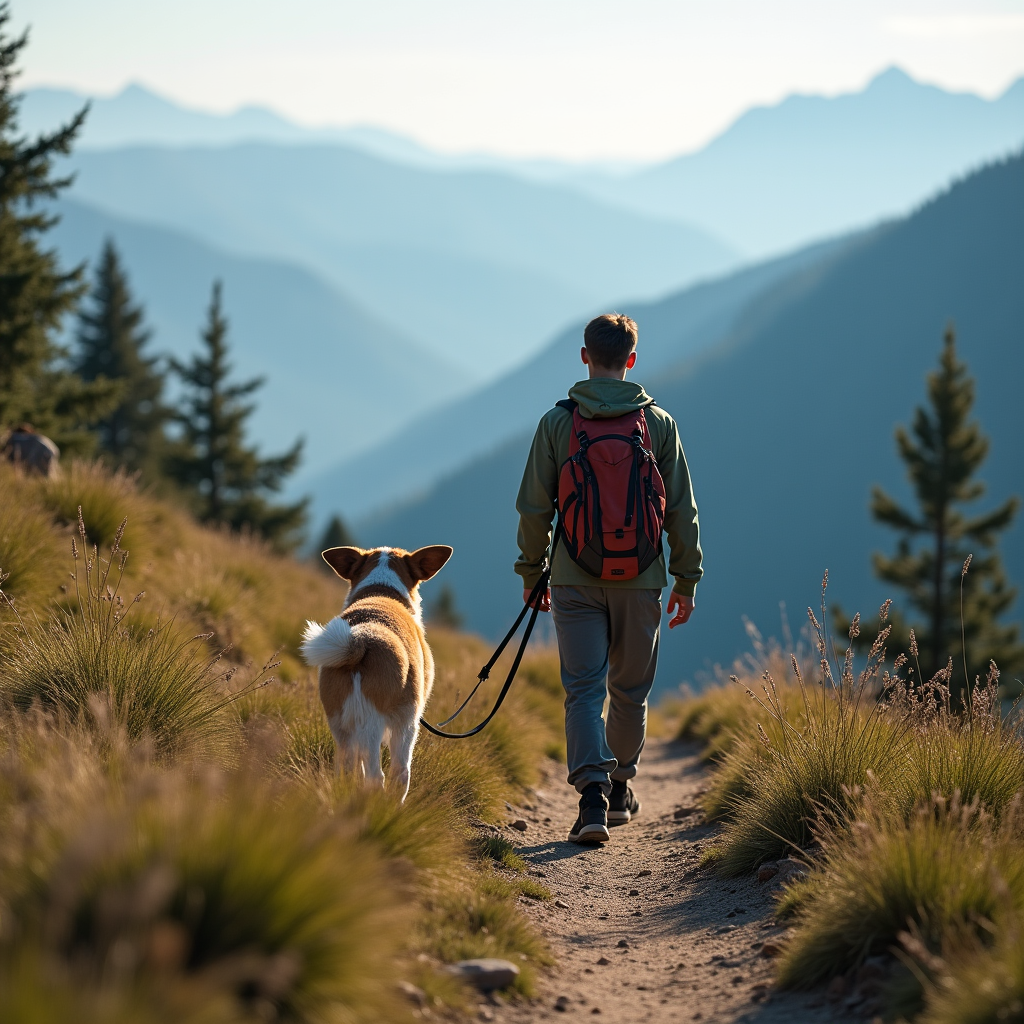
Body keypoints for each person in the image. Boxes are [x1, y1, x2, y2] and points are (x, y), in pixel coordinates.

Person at [515, 313, 702, 843]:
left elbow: (533, 509)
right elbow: (681, 510)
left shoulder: (557, 424)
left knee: (582, 690)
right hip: (642, 579)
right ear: (632, 360)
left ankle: (592, 800)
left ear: (584, 357)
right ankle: (620, 788)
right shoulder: (659, 424)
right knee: (629, 691)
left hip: (574, 575)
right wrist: (686, 578)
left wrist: (532, 573)